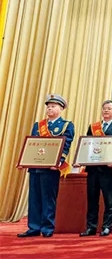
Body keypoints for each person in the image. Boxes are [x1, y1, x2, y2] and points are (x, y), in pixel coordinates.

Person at [17, 94, 75, 238]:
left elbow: (66, 145)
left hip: (51, 168)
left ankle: (47, 228)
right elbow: (31, 145)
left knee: (48, 198)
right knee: (34, 198)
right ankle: (33, 227)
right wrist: (24, 161)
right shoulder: (38, 125)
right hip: (35, 167)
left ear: (61, 109)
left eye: (53, 106)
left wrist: (59, 162)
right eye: (48, 106)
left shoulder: (66, 125)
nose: (49, 108)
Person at [80, 100, 112, 237]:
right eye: (104, 108)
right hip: (93, 168)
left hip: (108, 169)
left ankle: (107, 226)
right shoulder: (94, 127)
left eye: (109, 108)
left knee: (109, 199)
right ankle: (91, 227)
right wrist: (82, 159)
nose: (106, 110)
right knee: (92, 199)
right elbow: (87, 144)